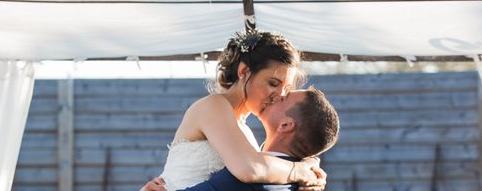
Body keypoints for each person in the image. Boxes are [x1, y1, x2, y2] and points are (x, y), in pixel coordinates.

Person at [140, 30, 327, 191]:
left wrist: (312, 169)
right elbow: (250, 169)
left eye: (285, 89)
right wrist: (300, 171)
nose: (278, 95)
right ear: (244, 71)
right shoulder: (213, 106)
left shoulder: (244, 131)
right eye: (273, 83)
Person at [180, 87, 339, 190]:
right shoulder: (300, 181)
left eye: (283, 98)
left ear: (285, 125)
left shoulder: (245, 179)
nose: (276, 95)